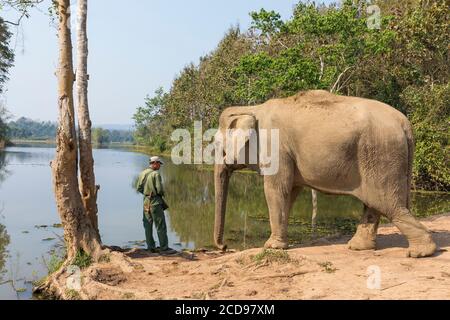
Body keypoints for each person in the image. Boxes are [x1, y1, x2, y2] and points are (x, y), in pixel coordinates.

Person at [136, 156, 177, 255]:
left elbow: (138, 188)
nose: (160, 166)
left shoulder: (142, 173)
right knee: (160, 225)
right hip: (155, 202)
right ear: (154, 163)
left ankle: (150, 247)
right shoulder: (156, 174)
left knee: (147, 225)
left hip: (146, 201)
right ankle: (164, 248)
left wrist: (147, 194)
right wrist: (162, 194)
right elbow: (159, 189)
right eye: (159, 163)